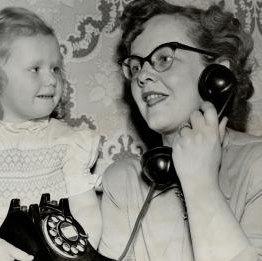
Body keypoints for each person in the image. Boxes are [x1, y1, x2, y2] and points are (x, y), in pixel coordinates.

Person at [0, 6, 102, 261]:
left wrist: (78, 254)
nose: (51, 79)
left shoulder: (68, 142)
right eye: (36, 69)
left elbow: (86, 208)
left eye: (55, 68)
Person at [99, 0, 262, 260]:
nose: (142, 76)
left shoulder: (258, 167)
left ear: (217, 74)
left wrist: (200, 183)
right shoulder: (123, 181)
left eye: (164, 58)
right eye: (136, 66)